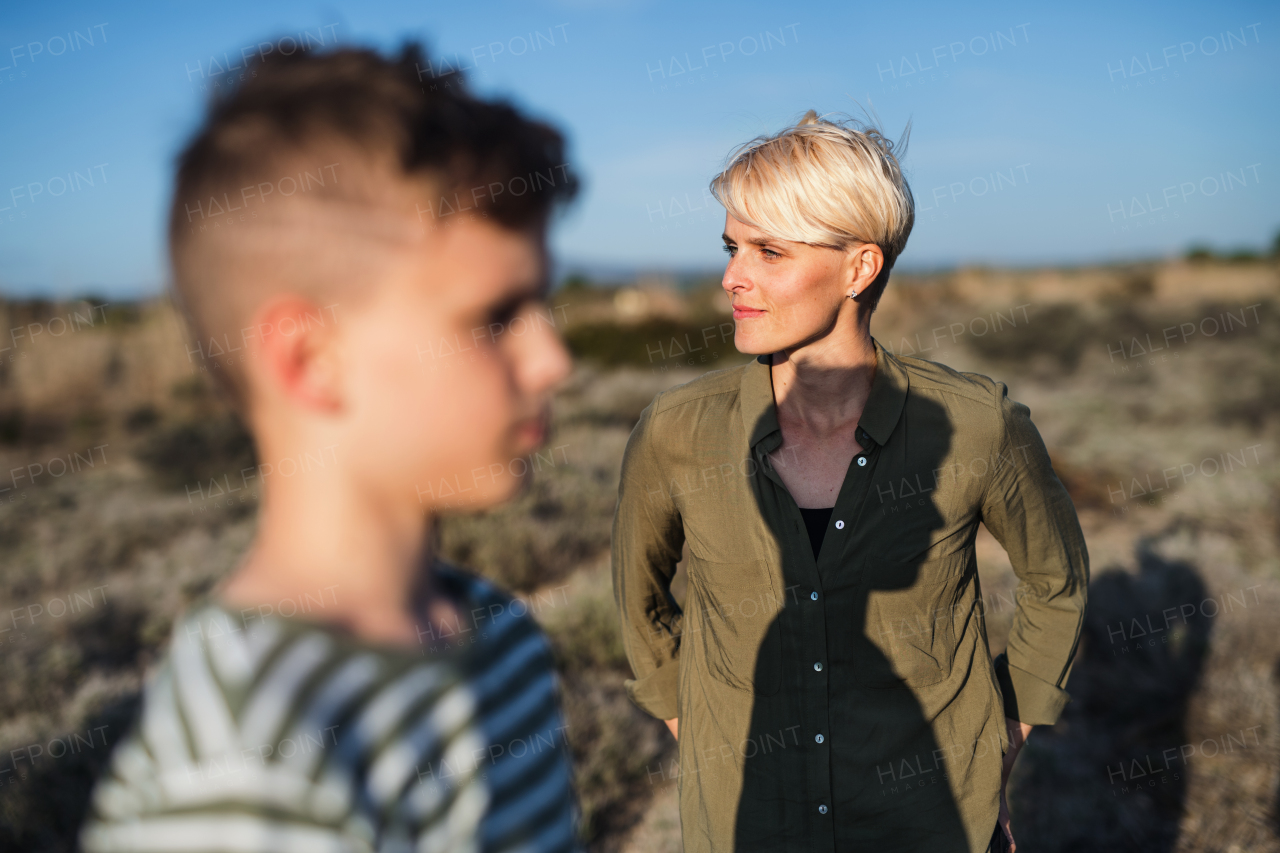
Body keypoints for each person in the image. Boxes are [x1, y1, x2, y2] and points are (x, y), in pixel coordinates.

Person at [80, 42, 583, 853]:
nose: (552, 359)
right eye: (494, 318)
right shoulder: (240, 771)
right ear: (310, 360)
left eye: (543, 306)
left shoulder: (503, 636)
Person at [611, 111, 1088, 852]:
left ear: (860, 268)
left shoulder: (975, 424)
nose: (734, 276)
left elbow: (1056, 582)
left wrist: (1009, 726)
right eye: (733, 247)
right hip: (748, 827)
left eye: (770, 251)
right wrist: (692, 720)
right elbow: (638, 601)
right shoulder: (677, 432)